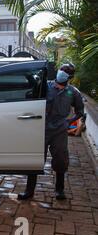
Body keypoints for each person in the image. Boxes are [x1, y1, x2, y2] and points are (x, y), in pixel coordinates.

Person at [18, 63, 84, 201]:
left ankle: (59, 190)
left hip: (59, 131)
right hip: (41, 128)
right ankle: (29, 191)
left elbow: (80, 112)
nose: (62, 73)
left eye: (66, 72)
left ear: (70, 77)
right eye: (62, 70)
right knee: (35, 160)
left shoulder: (73, 92)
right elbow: (31, 90)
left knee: (61, 160)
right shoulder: (45, 86)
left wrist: (68, 122)